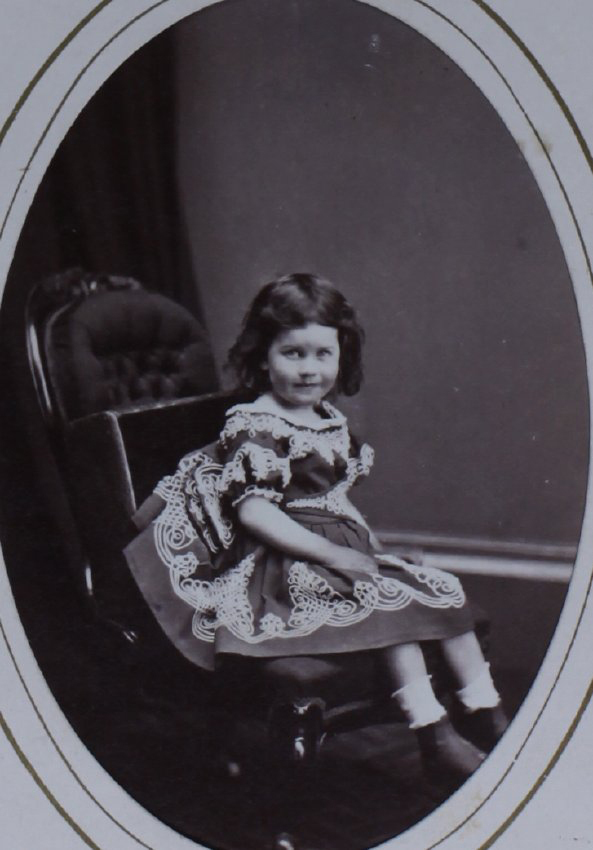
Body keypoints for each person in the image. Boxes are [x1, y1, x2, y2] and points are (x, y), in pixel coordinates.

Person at [124, 273, 508, 785]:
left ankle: (483, 711)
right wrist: (336, 556)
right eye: (293, 353)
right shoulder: (256, 424)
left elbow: (334, 499)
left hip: (332, 547)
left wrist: (371, 547)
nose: (309, 369)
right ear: (264, 358)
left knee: (438, 589)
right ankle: (431, 732)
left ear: (341, 356)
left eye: (323, 354)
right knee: (383, 605)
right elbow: (255, 514)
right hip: (284, 562)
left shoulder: (325, 418)